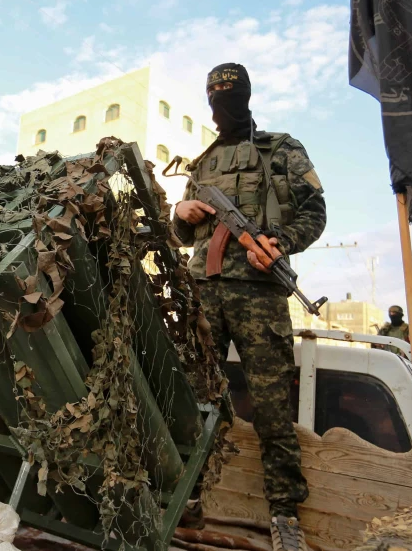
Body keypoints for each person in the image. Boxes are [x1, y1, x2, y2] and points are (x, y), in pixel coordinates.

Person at [172, 63, 325, 551]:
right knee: (193, 396)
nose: (224, 102)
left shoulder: (280, 149)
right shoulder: (202, 163)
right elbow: (181, 234)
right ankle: (187, 493)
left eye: (231, 93)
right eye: (216, 94)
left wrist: (279, 241)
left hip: (259, 293)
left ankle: (284, 513)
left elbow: (314, 212)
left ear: (247, 96)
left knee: (272, 407)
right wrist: (181, 214)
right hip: (204, 291)